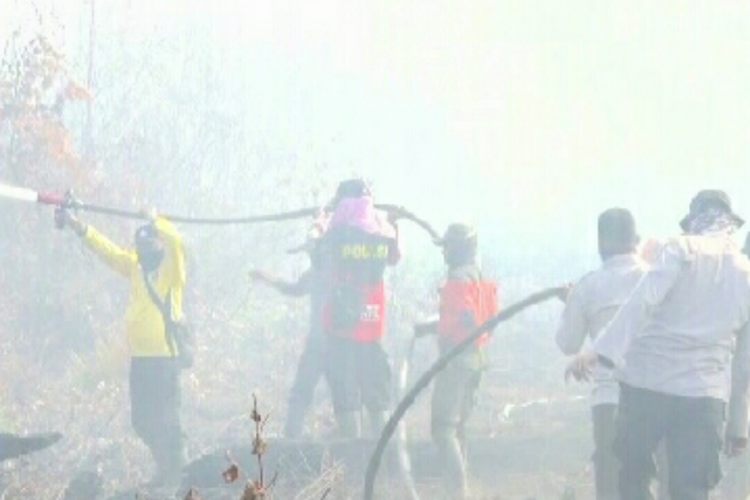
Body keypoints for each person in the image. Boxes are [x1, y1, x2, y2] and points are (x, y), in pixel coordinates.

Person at [584, 190, 750, 500]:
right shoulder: (746, 273)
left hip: (648, 387)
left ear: (695, 220)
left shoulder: (679, 249)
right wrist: (739, 426)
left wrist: (603, 351)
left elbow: (640, 304)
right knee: (692, 490)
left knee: (634, 481)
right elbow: (744, 363)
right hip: (702, 399)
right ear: (730, 224)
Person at [58, 208, 187, 486]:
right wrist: (78, 226)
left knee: (169, 421)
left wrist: (156, 219)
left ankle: (178, 477)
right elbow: (109, 252)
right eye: (139, 247)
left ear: (158, 244)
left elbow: (176, 241)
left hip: (165, 359)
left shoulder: (172, 271)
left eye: (148, 245)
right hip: (140, 359)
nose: (142, 252)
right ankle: (166, 468)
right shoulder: (136, 266)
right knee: (141, 421)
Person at [555, 208, 648, 500]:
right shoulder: (655, 278)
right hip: (656, 396)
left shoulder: (588, 285)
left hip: (609, 399)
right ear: (636, 239)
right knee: (647, 482)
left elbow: (568, 343)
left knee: (610, 485)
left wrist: (571, 303)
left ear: (601, 242)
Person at [414, 223, 499, 500]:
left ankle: (457, 492)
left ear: (460, 248)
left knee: (442, 428)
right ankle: (458, 491)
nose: (444, 253)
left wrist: (447, 332)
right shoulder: (477, 276)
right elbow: (480, 318)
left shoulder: (459, 279)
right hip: (476, 358)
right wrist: (430, 328)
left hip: (458, 360)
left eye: (447, 247)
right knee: (458, 427)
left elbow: (466, 318)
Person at [314, 179, 400, 438]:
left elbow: (317, 255)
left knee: (345, 393)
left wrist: (318, 221)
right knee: (376, 393)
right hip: (372, 328)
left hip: (341, 328)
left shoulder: (335, 234)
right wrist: (393, 222)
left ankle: (354, 454)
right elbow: (395, 257)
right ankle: (382, 456)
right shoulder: (382, 235)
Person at [249, 215, 330, 439]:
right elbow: (294, 289)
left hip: (326, 344)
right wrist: (269, 279)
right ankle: (292, 440)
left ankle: (293, 440)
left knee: (306, 394)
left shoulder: (323, 273)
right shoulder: (322, 273)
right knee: (309, 394)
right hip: (331, 344)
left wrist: (269, 279)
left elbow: (293, 289)